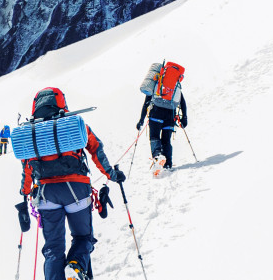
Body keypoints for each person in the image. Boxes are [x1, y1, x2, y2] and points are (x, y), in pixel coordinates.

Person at [18, 88, 125, 280]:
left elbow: (27, 167)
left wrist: (24, 192)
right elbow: (96, 149)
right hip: (76, 189)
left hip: (46, 194)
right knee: (83, 237)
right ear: (61, 103)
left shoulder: (31, 134)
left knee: (53, 248)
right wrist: (111, 174)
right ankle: (75, 267)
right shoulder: (73, 125)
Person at [136, 88, 188, 171]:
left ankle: (158, 156)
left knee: (154, 137)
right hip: (170, 116)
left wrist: (141, 120)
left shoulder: (156, 84)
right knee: (166, 140)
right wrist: (184, 118)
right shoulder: (175, 85)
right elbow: (182, 102)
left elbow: (146, 103)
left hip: (156, 114)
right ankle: (167, 164)